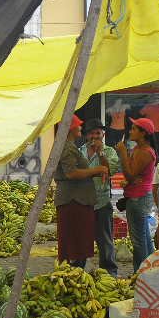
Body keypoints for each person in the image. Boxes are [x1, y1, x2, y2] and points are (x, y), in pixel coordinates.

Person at [54, 115, 109, 268]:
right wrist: (95, 170)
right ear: (71, 128)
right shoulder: (68, 147)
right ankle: (73, 273)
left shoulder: (69, 146)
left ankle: (76, 271)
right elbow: (71, 173)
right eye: (78, 126)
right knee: (74, 243)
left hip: (81, 200)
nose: (81, 128)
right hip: (73, 201)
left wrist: (97, 168)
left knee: (80, 242)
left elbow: (85, 171)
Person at [116, 117, 157, 273]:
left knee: (138, 240)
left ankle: (139, 275)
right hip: (137, 195)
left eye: (134, 129)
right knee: (144, 236)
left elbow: (130, 174)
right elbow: (133, 176)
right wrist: (131, 180)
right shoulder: (138, 149)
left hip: (138, 199)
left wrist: (123, 153)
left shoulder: (145, 152)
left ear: (143, 133)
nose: (130, 131)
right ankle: (151, 270)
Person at [80, 119, 120, 276]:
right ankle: (79, 270)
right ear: (86, 135)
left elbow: (109, 171)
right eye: (91, 133)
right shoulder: (79, 151)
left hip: (101, 202)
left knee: (105, 240)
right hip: (82, 202)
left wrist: (100, 152)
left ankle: (110, 272)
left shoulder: (109, 151)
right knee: (82, 238)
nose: (94, 136)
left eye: (98, 133)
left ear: (103, 134)